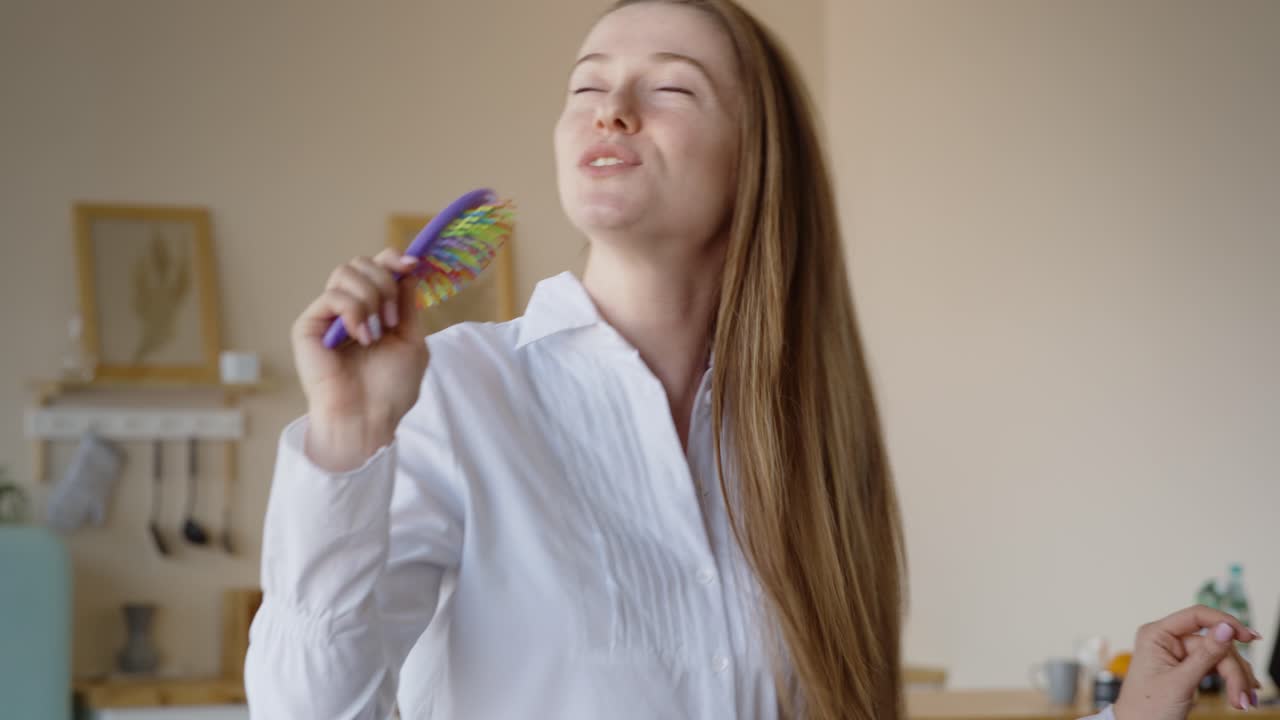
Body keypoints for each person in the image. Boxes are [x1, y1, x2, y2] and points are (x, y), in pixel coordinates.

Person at [244, 1, 1264, 718]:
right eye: (586, 86)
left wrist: (1128, 717)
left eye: (669, 89)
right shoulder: (458, 393)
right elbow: (305, 713)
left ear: (757, 157)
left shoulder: (811, 437)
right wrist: (343, 440)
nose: (610, 109)